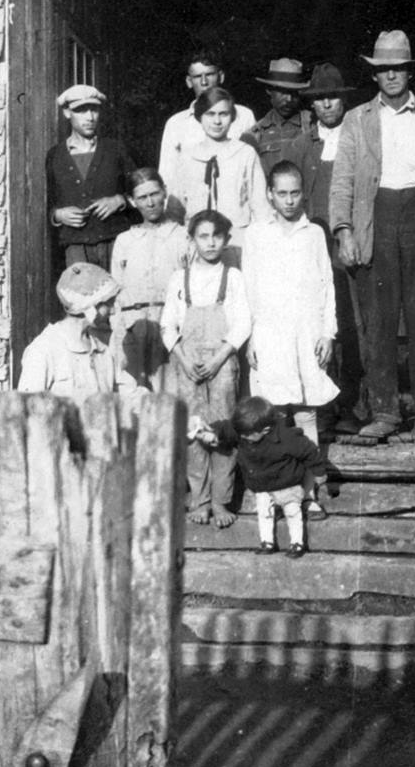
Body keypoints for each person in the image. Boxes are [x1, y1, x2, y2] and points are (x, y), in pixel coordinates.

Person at [330, 30, 415, 440]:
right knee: (379, 319)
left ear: (409, 72)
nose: (391, 76)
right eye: (383, 69)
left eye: (398, 69)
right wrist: (344, 229)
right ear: (374, 75)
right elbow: (343, 180)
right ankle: (385, 411)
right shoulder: (358, 120)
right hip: (377, 216)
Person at [242, 160, 338, 518]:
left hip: (306, 331)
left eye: (295, 192)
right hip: (269, 331)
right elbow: (249, 287)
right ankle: (281, 490)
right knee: (275, 412)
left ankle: (311, 489)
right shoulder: (256, 234)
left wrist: (327, 332)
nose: (289, 200)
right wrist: (250, 336)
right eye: (281, 193)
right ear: (269, 194)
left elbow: (326, 284)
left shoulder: (313, 233)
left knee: (306, 409)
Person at [161, 209, 251, 527]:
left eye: (217, 236)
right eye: (203, 236)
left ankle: (221, 500)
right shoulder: (179, 279)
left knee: (222, 429)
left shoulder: (233, 277)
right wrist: (184, 360)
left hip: (222, 361)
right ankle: (198, 499)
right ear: (193, 239)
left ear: (226, 239)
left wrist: (218, 359)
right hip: (186, 363)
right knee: (192, 430)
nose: (210, 243)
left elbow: (242, 324)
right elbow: (167, 326)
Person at [288, 62, 363, 429]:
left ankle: (354, 404)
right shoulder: (302, 144)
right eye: (319, 99)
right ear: (311, 105)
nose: (327, 105)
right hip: (315, 252)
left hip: (351, 245)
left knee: (355, 326)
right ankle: (324, 405)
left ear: (343, 100)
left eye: (332, 97)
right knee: (319, 326)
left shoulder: (358, 136)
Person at [211, 396, 329, 558]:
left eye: (247, 435)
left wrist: (319, 472)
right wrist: (211, 430)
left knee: (293, 514)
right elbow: (226, 428)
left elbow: (309, 451)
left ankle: (297, 543)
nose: (243, 438)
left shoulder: (288, 437)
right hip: (262, 486)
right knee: (264, 513)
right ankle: (267, 542)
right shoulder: (245, 430)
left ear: (265, 430)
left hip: (287, 484)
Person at [110, 168, 189, 390]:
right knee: (135, 396)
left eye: (154, 194)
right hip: (133, 328)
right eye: (142, 197)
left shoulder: (182, 236)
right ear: (132, 202)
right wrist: (119, 331)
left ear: (164, 193)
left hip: (170, 326)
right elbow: (116, 293)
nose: (150, 202)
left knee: (170, 396)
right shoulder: (125, 241)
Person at [47, 84, 137, 272]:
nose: (89, 117)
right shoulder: (55, 156)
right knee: (82, 299)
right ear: (67, 112)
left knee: (121, 298)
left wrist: (120, 201)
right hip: (75, 247)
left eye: (94, 109)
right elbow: (48, 203)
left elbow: (142, 192)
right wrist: (58, 215)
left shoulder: (115, 150)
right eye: (80, 110)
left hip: (117, 243)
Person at [18, 262, 137, 399]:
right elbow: (28, 409)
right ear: (89, 306)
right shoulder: (43, 350)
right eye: (108, 303)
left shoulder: (103, 347)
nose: (114, 310)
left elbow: (128, 394)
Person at [158, 49, 255, 217]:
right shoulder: (176, 124)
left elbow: (253, 173)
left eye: (209, 74)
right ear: (189, 81)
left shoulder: (243, 116)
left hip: (236, 216)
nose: (204, 82)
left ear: (221, 76)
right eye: (197, 77)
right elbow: (167, 177)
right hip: (194, 216)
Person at [178, 87, 269, 254]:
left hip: (236, 242)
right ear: (200, 117)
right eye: (210, 114)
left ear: (232, 117)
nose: (217, 121)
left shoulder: (245, 153)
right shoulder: (187, 157)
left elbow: (261, 206)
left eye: (223, 114)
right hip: (197, 245)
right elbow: (177, 206)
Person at [249, 58, 311, 178]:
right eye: (282, 92)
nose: (288, 99)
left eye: (293, 93)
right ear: (269, 90)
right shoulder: (256, 135)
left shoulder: (312, 126)